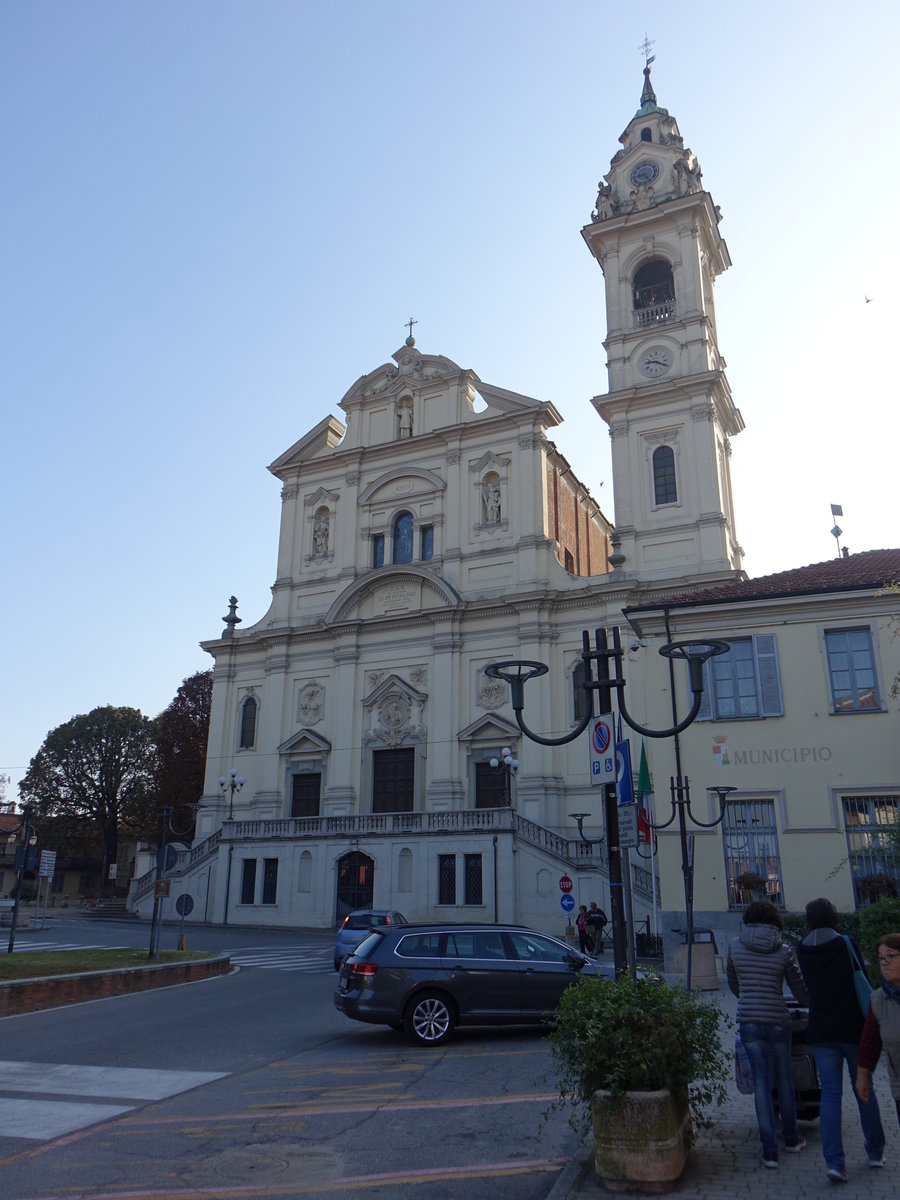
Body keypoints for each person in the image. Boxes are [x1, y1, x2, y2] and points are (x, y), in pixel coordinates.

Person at [796, 898, 885, 1181]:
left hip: (821, 1030)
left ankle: (834, 1162)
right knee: (864, 1089)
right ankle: (875, 1152)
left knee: (831, 1096)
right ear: (834, 916)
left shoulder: (802, 949)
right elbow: (862, 977)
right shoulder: (846, 942)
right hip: (854, 1028)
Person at [726, 900, 809, 1168]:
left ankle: (769, 1150)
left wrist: (748, 997)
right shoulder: (784, 950)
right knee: (783, 1078)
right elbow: (797, 986)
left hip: (749, 1019)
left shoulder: (735, 946)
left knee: (761, 1080)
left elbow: (733, 983)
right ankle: (793, 1138)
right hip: (777, 1018)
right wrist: (811, 1003)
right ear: (775, 921)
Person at [856, 932, 900, 1129]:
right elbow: (870, 1041)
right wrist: (863, 1074)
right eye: (881, 958)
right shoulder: (879, 999)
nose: (884, 962)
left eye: (890, 956)